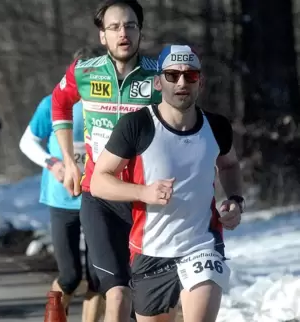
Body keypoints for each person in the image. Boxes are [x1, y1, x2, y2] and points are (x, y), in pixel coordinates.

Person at [90, 45, 243, 321]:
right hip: (151, 251)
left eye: (190, 76)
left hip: (202, 245)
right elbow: (99, 181)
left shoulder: (217, 126)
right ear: (158, 82)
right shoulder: (136, 125)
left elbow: (229, 164)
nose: (182, 83)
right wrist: (143, 192)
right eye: (172, 76)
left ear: (201, 82)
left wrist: (235, 200)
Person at [51, 0, 161, 320]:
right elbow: (59, 104)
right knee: (116, 292)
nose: (123, 33)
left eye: (130, 26)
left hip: (145, 199)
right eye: (114, 27)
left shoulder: (160, 76)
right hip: (99, 196)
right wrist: (70, 162)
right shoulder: (84, 72)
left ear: (140, 32)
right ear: (103, 36)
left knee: (144, 301)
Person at [19, 46, 106, 321]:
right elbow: (27, 142)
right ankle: (55, 316)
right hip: (62, 198)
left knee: (98, 277)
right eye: (82, 71)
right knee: (69, 276)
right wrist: (53, 163)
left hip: (98, 197)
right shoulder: (54, 102)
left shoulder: (108, 104)